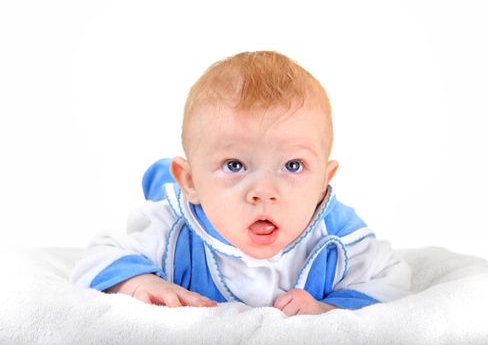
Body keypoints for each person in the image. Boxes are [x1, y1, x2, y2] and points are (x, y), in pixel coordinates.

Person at [70, 51, 411, 316]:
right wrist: (139, 282)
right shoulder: (175, 230)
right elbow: (96, 258)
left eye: (293, 165)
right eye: (234, 165)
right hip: (185, 209)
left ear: (324, 183)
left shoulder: (336, 239)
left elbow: (392, 277)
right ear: (190, 181)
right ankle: (163, 180)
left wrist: (329, 308)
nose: (263, 191)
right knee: (159, 199)